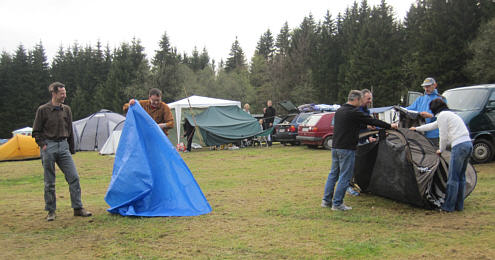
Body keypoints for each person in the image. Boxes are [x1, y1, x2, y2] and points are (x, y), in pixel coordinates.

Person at [322, 90, 398, 211]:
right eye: (362, 100)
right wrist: (390, 126)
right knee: (345, 176)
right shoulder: (354, 111)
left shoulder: (340, 110)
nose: (363, 102)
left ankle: (326, 201)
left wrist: (365, 126)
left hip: (336, 147)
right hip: (347, 148)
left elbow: (351, 125)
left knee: (333, 174)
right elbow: (372, 120)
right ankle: (337, 204)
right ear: (356, 100)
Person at [32, 82, 92, 221]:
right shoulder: (43, 110)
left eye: (65, 93)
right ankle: (51, 211)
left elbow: (70, 130)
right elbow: (36, 131)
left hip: (64, 146)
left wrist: (71, 148)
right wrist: (44, 146)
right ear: (54, 94)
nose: (64, 95)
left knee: (74, 177)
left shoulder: (67, 109)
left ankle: (78, 208)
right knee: (50, 182)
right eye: (61, 93)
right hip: (49, 146)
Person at [410, 98, 472, 212]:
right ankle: (459, 206)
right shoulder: (450, 114)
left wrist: (441, 150)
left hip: (459, 146)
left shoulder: (443, 116)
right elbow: (432, 126)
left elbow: (442, 135)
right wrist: (416, 129)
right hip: (468, 144)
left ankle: (448, 207)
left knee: (452, 178)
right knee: (461, 177)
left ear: (434, 109)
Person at [347, 89, 375, 197]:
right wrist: (367, 126)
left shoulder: (366, 110)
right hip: (353, 142)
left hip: (364, 142)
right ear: (361, 98)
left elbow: (369, 124)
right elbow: (356, 125)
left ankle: (361, 185)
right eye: (368, 99)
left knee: (361, 165)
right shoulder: (355, 110)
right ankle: (349, 186)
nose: (370, 101)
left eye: (371, 99)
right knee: (351, 166)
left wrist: (370, 136)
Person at [406, 77, 445, 147]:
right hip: (421, 134)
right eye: (425, 87)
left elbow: (444, 116)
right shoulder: (420, 99)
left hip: (434, 134)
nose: (426, 89)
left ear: (435, 85)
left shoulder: (441, 99)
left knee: (435, 155)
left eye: (428, 86)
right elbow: (408, 110)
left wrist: (430, 116)